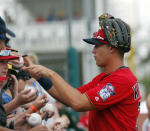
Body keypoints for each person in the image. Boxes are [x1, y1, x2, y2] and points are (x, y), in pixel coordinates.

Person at [23, 13, 141, 131]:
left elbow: (78, 103)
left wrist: (51, 74)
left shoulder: (121, 79)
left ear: (111, 48)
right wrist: (39, 76)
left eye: (97, 45)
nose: (93, 51)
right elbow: (67, 98)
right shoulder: (106, 77)